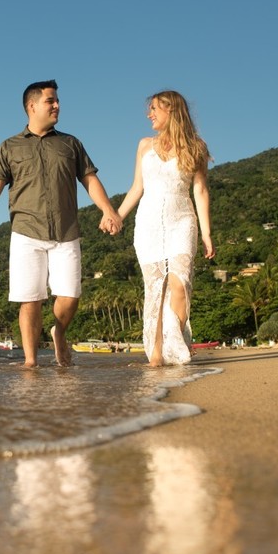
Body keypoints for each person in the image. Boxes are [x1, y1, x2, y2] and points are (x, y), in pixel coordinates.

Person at [0, 80, 122, 367]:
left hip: (66, 230)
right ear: (32, 106)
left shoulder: (70, 143)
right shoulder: (9, 147)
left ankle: (58, 331)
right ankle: (30, 362)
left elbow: (89, 179)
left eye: (57, 100)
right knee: (30, 299)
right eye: (51, 101)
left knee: (70, 295)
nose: (57, 105)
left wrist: (108, 210)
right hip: (26, 232)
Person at [116, 90, 214, 366]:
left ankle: (175, 343)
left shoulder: (197, 147)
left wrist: (206, 233)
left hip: (182, 220)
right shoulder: (144, 145)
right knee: (155, 291)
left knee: (179, 284)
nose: (149, 114)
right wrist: (117, 216)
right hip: (148, 224)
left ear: (171, 110)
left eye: (154, 109)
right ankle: (156, 356)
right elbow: (137, 188)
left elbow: (200, 190)